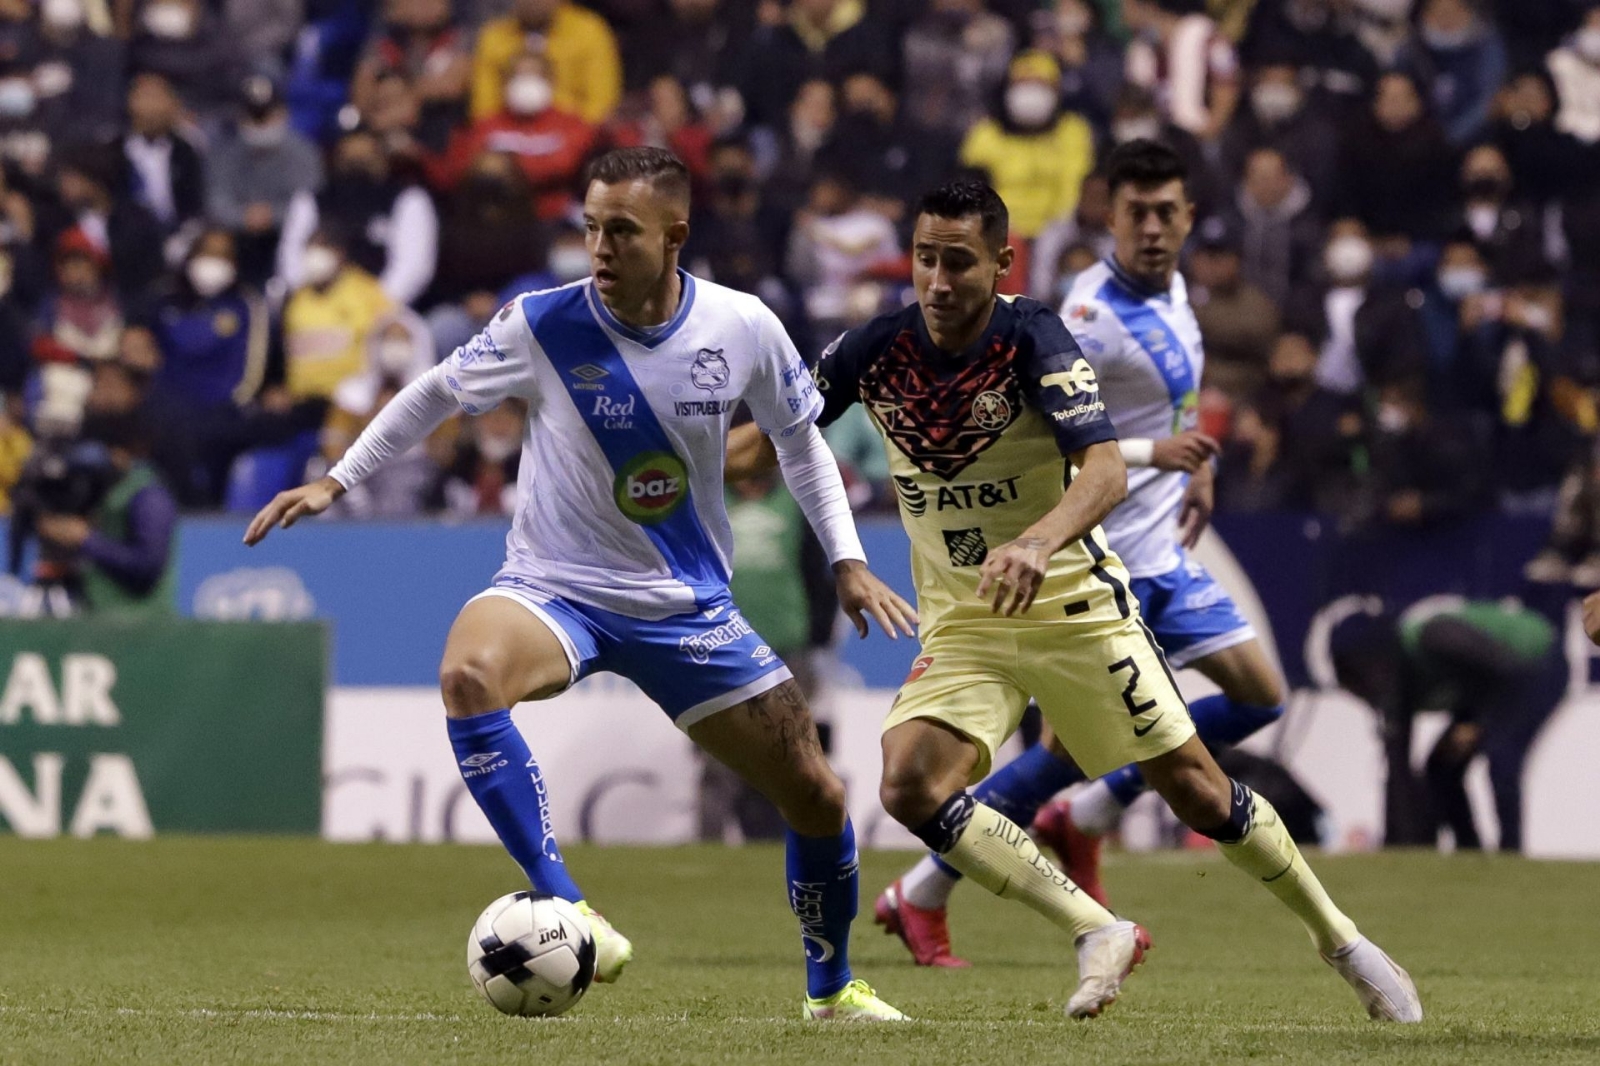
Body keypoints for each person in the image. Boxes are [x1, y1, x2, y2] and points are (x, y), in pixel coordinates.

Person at [245, 147, 916, 1022]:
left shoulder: (742, 326)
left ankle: (831, 989)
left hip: (686, 605)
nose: (598, 247)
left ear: (675, 235)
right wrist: (339, 478)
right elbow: (436, 394)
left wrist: (848, 558)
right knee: (467, 677)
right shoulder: (541, 323)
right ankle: (571, 907)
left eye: (621, 231)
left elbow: (801, 443)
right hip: (553, 588)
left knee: (817, 794)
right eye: (590, 227)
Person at [731, 174, 1423, 1022]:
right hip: (966, 623)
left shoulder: (1036, 338)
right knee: (908, 784)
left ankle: (1342, 941)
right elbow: (765, 446)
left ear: (1001, 262)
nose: (939, 282)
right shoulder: (872, 348)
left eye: (959, 262)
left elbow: (1100, 467)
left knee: (1200, 792)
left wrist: (1036, 540)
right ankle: (1097, 928)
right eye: (924, 260)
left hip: (1073, 607)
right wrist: (659, 462)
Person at [870, 141, 1292, 969]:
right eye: (1136, 213)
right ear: (1109, 216)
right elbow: (1058, 436)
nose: (1153, 228)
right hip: (1097, 559)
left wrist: (1190, 470)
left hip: (1160, 546)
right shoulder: (1088, 319)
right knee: (1068, 753)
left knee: (1257, 696)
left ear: (1189, 218)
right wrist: (1148, 459)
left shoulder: (1173, 291)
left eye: (1167, 212)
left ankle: (1082, 815)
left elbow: (1161, 411)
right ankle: (924, 888)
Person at [1331, 598, 1563, 853]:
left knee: (1502, 760)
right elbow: (1399, 768)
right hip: (1487, 690)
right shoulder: (1395, 691)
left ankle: (1512, 856)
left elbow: (1507, 668)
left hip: (1536, 662)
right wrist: (1401, 845)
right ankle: (1470, 853)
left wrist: (1477, 722)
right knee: (1440, 767)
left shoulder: (1433, 636)